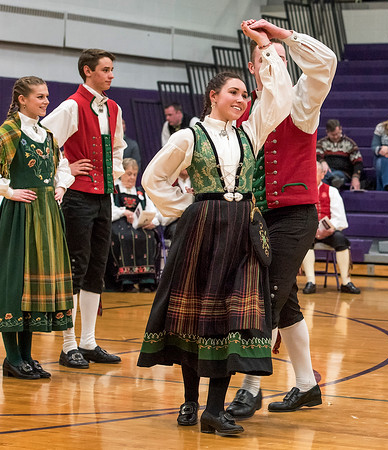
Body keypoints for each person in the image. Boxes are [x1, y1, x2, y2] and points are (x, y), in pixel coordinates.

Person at [138, 20, 293, 436]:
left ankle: (213, 410)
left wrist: (267, 50)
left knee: (235, 317)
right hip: (203, 228)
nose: (242, 99)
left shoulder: (251, 134)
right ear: (213, 96)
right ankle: (190, 401)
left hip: (243, 228)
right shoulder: (189, 137)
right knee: (196, 315)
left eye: (245, 93)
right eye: (234, 92)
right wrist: (188, 208)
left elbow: (280, 97)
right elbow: (152, 179)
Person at [227, 19, 337, 419]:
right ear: (253, 69)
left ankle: (250, 387)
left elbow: (325, 62)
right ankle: (306, 386)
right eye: (262, 58)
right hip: (256, 219)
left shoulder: (300, 105)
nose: (269, 60)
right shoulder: (244, 116)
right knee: (285, 304)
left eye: (273, 56)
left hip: (294, 216)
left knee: (266, 298)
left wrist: (280, 37)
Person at [0, 76, 75, 379]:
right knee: (15, 282)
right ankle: (12, 357)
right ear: (22, 99)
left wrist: (60, 187)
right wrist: (8, 191)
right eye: (40, 97)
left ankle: (27, 357)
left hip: (45, 215)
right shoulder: (9, 132)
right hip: (19, 215)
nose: (46, 102)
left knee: (34, 283)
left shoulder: (46, 134)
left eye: (47, 97)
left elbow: (62, 167)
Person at [41, 48, 125, 369]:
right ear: (88, 71)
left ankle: (88, 341)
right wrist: (67, 168)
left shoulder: (113, 108)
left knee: (96, 268)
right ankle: (67, 344)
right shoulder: (71, 106)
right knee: (75, 268)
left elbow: (118, 148)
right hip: (77, 197)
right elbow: (42, 139)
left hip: (103, 196)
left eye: (112, 70)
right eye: (105, 70)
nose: (111, 75)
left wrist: (111, 174)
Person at [301, 162, 360, 295]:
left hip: (328, 231)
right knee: (305, 241)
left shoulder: (332, 192)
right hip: (309, 232)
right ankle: (311, 281)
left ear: (323, 174)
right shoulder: (302, 191)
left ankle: (346, 281)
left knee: (341, 240)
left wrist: (328, 229)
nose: (310, 176)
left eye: (314, 172)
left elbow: (340, 218)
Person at [107, 158, 160, 293]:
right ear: (121, 174)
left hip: (139, 225)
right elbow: (109, 211)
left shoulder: (141, 193)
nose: (132, 177)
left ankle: (146, 281)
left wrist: (151, 222)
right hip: (119, 223)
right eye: (128, 174)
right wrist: (124, 212)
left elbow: (153, 211)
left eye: (134, 174)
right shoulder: (114, 190)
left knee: (148, 236)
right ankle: (126, 281)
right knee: (125, 236)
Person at [316, 119, 362, 190]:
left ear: (340, 129)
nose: (335, 137)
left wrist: (355, 177)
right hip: (326, 171)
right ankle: (332, 182)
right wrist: (322, 161)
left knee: (333, 176)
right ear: (327, 132)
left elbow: (358, 162)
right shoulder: (321, 143)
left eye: (337, 134)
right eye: (332, 135)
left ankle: (330, 184)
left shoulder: (349, 143)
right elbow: (317, 155)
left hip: (343, 173)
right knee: (323, 176)